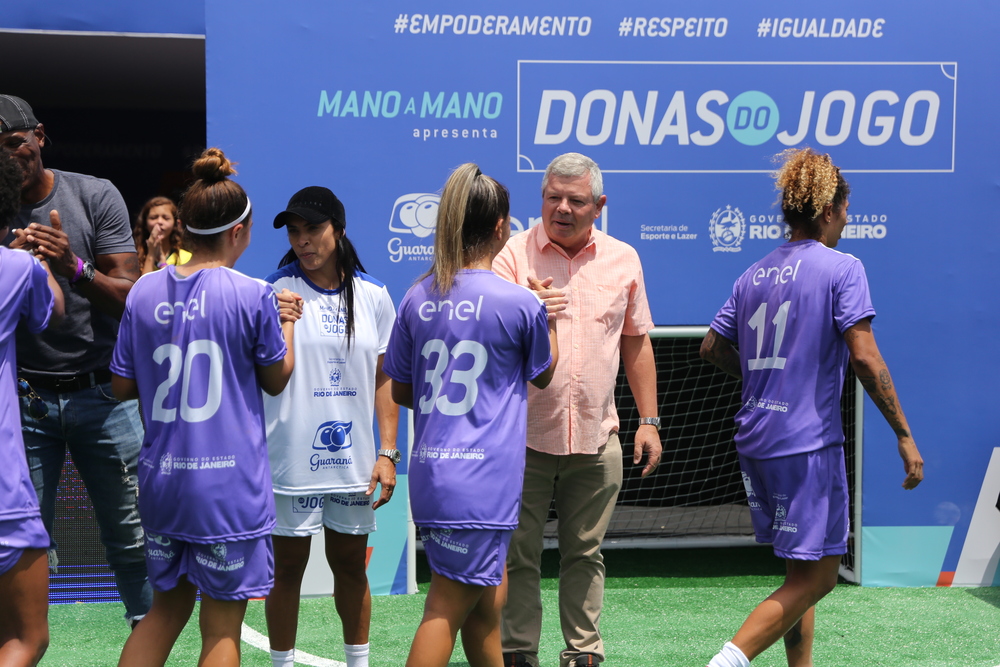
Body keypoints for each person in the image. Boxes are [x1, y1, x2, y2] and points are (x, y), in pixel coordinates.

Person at [699, 147, 924, 667]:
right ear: (826, 210)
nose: (846, 221)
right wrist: (904, 434)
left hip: (756, 439)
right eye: (844, 211)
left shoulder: (753, 274)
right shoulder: (843, 268)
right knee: (820, 577)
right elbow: (864, 358)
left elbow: (711, 347)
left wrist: (764, 376)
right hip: (806, 444)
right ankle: (726, 662)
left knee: (799, 570)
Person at [111, 148, 296, 666]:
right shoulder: (254, 294)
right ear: (239, 231)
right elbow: (276, 380)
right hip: (227, 490)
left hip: (163, 483)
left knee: (164, 611)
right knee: (221, 629)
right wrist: (288, 324)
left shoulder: (144, 291)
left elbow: (121, 387)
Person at [383, 163, 560, 667]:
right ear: (502, 227)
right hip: (482, 482)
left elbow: (402, 388)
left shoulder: (417, 296)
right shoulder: (519, 303)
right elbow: (544, 375)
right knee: (445, 607)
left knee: (487, 604)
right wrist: (549, 316)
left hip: (435, 474)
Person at [493, 152, 662, 667]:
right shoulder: (510, 256)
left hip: (596, 436)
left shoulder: (624, 258)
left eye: (575, 200)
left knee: (586, 554)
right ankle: (518, 653)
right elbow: (489, 338)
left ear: (599, 206)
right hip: (520, 438)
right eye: (553, 197)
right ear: (541, 198)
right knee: (518, 554)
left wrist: (649, 421)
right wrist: (525, 310)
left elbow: (636, 341)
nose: (562, 208)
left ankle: (583, 653)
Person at [0, 93, 152, 626]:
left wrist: (73, 266)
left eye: (15, 142)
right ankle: (21, 646)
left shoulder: (92, 194)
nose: (9, 156)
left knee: (132, 536)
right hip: (24, 400)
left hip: (104, 392)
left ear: (39, 136)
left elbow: (134, 300)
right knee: (23, 542)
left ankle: (147, 642)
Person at [262, 186, 399, 667]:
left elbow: (384, 377)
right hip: (289, 460)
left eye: (313, 229)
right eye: (294, 232)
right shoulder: (273, 292)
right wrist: (278, 324)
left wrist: (387, 451)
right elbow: (261, 374)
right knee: (286, 571)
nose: (302, 240)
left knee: (350, 566)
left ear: (338, 230)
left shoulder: (374, 296)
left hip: (352, 463)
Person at [0, 155, 64, 667]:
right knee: (25, 639)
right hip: (3, 493)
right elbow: (52, 312)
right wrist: (38, 258)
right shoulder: (18, 268)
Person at [133, 196, 190, 274]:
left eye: (166, 218)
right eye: (153, 218)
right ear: (145, 223)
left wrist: (162, 262)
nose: (159, 221)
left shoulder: (186, 258)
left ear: (176, 224)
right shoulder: (135, 257)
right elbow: (144, 282)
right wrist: (151, 254)